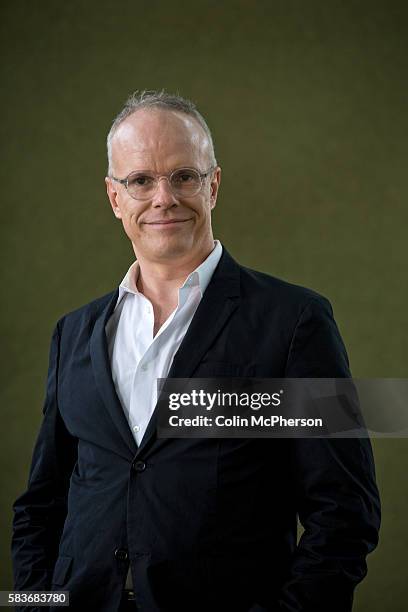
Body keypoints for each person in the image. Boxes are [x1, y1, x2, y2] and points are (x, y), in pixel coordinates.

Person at [11, 90, 381, 612]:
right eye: (141, 180)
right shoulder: (73, 332)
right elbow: (40, 506)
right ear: (115, 198)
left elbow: (345, 512)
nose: (164, 197)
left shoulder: (295, 320)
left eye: (184, 176)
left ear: (214, 185)